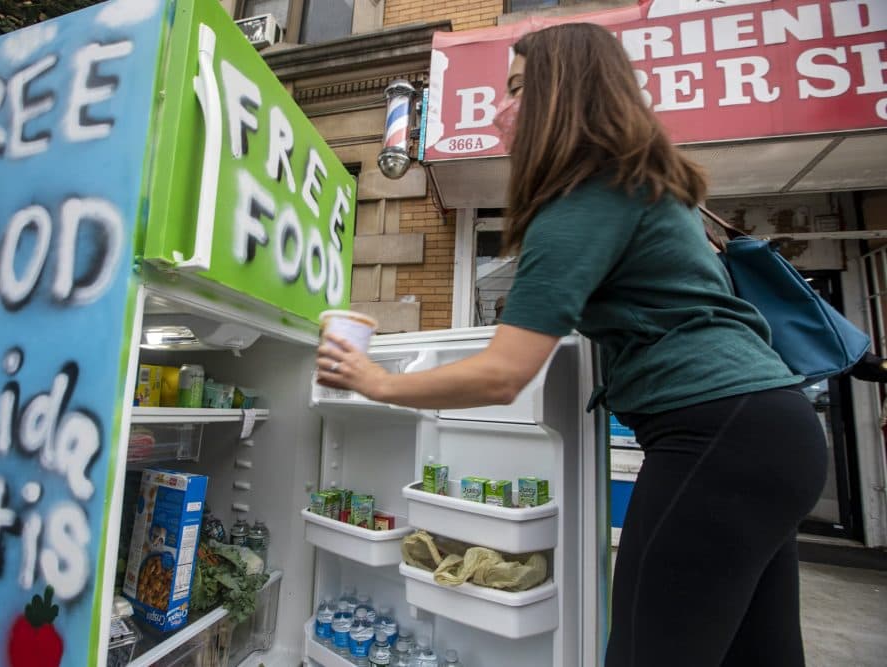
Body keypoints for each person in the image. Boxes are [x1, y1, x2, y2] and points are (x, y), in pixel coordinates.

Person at [317, 23, 826, 667]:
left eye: (519, 88)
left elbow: (503, 373)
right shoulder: (638, 182)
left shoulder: (585, 195)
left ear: (567, 92)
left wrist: (375, 380)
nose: (501, 107)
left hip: (718, 436)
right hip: (773, 434)